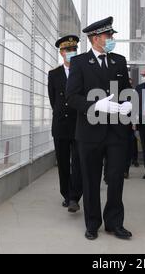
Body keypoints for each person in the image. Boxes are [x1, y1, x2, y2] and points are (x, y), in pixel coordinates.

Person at [65, 17, 133, 241]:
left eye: (111, 35)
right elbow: (72, 96)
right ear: (96, 39)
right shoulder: (80, 63)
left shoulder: (119, 62)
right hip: (89, 132)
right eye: (108, 36)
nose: (112, 39)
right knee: (91, 179)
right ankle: (92, 223)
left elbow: (126, 91)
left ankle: (114, 223)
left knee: (115, 178)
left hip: (116, 132)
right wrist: (95, 105)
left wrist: (129, 104)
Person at [48, 35, 83, 213]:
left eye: (74, 49)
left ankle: (75, 196)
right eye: (68, 50)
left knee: (78, 161)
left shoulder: (83, 71)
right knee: (63, 162)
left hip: (79, 124)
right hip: (61, 124)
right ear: (61, 52)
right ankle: (67, 195)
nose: (71, 52)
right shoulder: (53, 74)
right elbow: (53, 100)